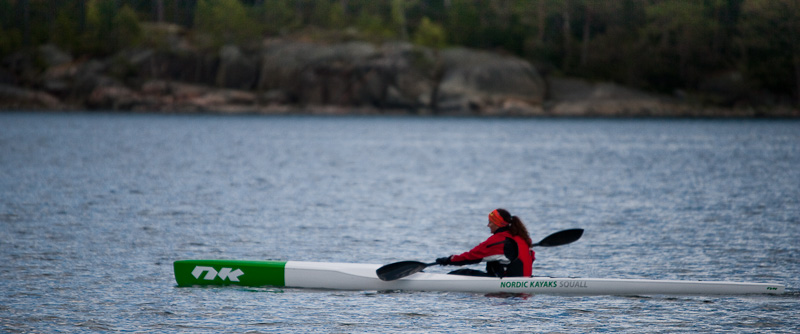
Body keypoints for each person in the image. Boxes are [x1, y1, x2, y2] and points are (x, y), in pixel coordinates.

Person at [435, 209, 534, 277]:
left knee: (461, 273)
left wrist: (449, 260)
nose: (488, 225)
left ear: (498, 224)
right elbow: (532, 257)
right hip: (525, 279)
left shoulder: (498, 240)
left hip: (504, 282)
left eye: (490, 222)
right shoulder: (523, 238)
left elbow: (472, 256)